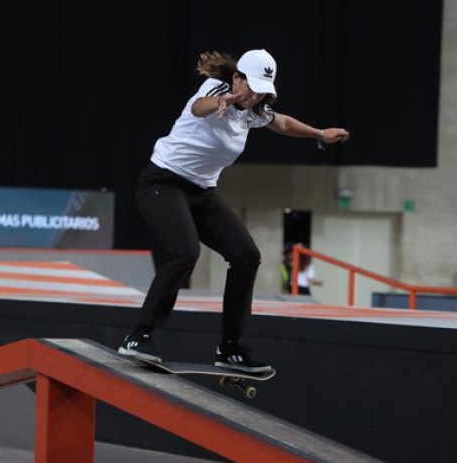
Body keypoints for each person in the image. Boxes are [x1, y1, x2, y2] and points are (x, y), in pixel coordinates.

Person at [118, 49, 350, 372]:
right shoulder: (214, 89)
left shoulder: (255, 110)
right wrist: (221, 102)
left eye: (260, 91)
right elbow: (199, 109)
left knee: (246, 255)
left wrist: (319, 134)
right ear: (236, 77)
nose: (252, 95)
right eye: (248, 86)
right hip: (162, 183)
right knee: (185, 252)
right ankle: (139, 336)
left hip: (201, 193)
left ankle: (231, 349)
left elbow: (280, 122)